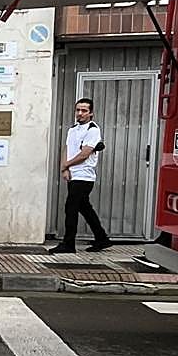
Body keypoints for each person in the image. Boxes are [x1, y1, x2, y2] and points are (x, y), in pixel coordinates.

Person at [50, 97, 112, 254]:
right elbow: (67, 149)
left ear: (91, 113)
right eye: (78, 110)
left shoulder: (93, 130)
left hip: (84, 176)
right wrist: (64, 168)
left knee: (71, 207)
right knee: (84, 207)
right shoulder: (72, 130)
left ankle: (68, 244)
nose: (80, 113)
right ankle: (102, 238)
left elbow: (84, 154)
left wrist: (67, 165)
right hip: (73, 174)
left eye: (84, 110)